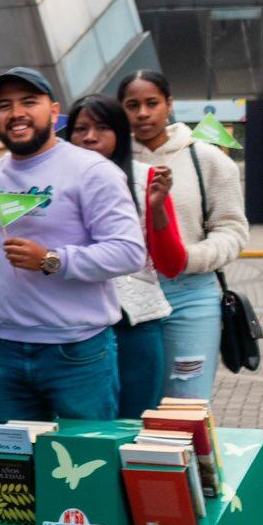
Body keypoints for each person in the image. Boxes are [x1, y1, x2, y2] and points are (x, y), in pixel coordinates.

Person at [0, 68, 146, 422]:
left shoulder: (92, 171)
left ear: (54, 110)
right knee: (11, 474)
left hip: (79, 352)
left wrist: (51, 260)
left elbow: (128, 251)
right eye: (4, 105)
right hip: (4, 351)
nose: (16, 113)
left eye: (29, 102)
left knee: (83, 469)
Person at [120, 72, 250, 402]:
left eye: (152, 103)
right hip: (123, 297)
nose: (143, 113)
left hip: (189, 297)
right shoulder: (107, 162)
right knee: (131, 403)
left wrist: (187, 258)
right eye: (132, 105)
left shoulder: (207, 159)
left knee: (185, 402)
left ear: (169, 105)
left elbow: (232, 230)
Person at [67, 94, 184, 419]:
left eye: (102, 127)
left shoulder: (148, 178)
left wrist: (156, 207)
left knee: (135, 424)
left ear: (120, 132)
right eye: (80, 128)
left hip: (135, 321)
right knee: (84, 430)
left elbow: (171, 264)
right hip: (73, 326)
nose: (90, 137)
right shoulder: (51, 181)